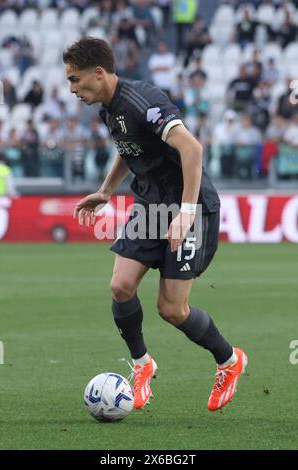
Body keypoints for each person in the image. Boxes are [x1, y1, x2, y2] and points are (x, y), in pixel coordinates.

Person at [63, 37, 248, 412]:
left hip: (190, 208)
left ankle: (229, 361)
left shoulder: (142, 102)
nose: (72, 89)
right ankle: (143, 364)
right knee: (120, 286)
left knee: (172, 310)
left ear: (99, 73)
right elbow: (130, 150)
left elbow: (192, 148)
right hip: (149, 205)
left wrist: (186, 212)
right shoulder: (108, 108)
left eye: (76, 79)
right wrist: (105, 191)